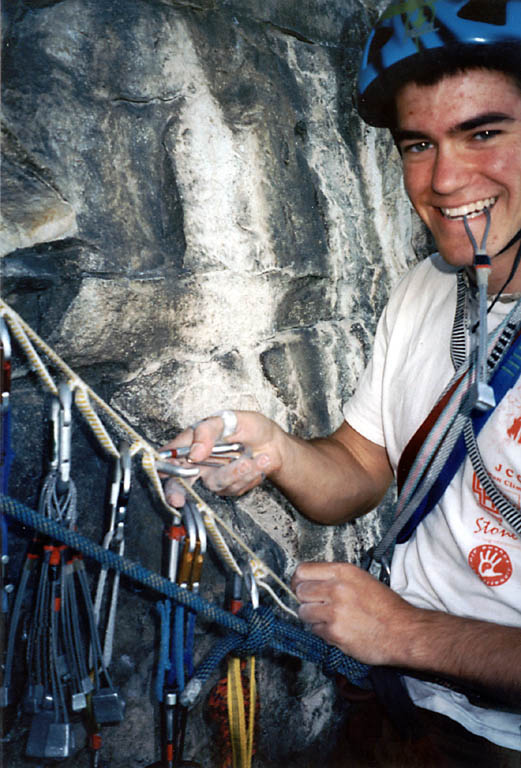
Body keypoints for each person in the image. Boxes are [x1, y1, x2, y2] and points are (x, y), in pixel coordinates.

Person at [162, 1, 521, 763]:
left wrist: (400, 629)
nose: (445, 179)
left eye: (483, 132)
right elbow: (362, 468)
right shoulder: (427, 289)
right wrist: (277, 450)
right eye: (417, 144)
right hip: (396, 704)